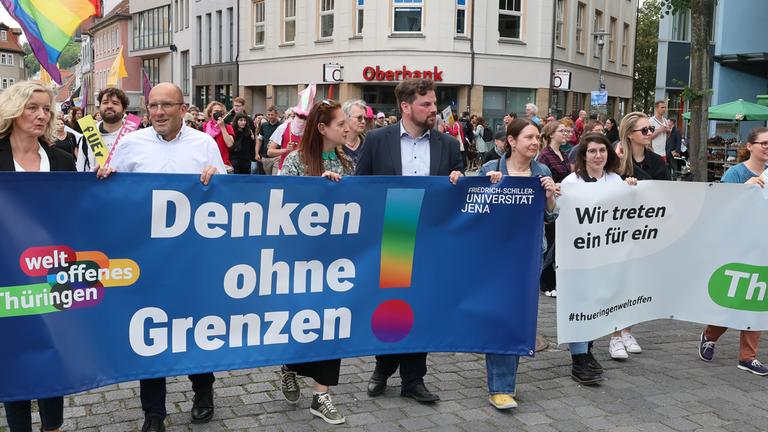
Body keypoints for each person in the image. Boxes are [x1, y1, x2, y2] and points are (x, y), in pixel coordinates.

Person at [97, 83, 226, 432]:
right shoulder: (130, 144)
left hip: (192, 257)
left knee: (195, 328)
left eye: (166, 105)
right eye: (153, 105)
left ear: (183, 109)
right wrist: (105, 179)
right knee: (149, 330)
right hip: (146, 259)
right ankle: (153, 412)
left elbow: (228, 194)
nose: (158, 112)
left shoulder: (204, 143)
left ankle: (203, 390)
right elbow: (114, 195)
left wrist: (218, 178)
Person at [356, 78, 463, 404]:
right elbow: (359, 188)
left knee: (423, 308)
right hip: (394, 232)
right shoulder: (377, 140)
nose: (434, 109)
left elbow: (459, 187)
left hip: (432, 238)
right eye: (426, 104)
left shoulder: (447, 144)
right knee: (392, 308)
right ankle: (383, 366)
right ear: (405, 106)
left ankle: (413, 379)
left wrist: (459, 180)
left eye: (434, 103)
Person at [0, 81, 75, 432]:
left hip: (51, 275)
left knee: (51, 353)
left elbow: (78, 213)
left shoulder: (62, 160)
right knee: (13, 356)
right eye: (33, 107)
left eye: (46, 109)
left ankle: (53, 426)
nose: (41, 115)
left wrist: (105, 182)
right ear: (14, 110)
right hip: (6, 277)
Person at [277, 100, 354, 424]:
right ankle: (289, 365)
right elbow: (279, 206)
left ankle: (321, 394)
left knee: (332, 323)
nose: (347, 128)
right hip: (300, 262)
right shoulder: (295, 162)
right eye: (341, 124)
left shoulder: (347, 163)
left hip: (335, 263)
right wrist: (315, 190)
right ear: (323, 128)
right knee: (302, 323)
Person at [479, 118, 558, 409]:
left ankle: (504, 383)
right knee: (502, 316)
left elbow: (550, 217)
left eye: (538, 137)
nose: (536, 142)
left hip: (529, 256)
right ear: (512, 141)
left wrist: (549, 196)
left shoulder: (542, 172)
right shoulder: (490, 170)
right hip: (495, 256)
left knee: (518, 317)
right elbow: (474, 210)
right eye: (529, 137)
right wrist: (489, 189)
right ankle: (500, 387)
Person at [561, 132, 637, 384]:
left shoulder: (616, 180)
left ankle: (587, 350)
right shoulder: (571, 182)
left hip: (606, 256)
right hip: (578, 256)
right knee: (580, 302)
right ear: (583, 155)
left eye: (602, 151)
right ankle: (579, 359)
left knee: (597, 303)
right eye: (592, 151)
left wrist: (634, 191)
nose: (598, 156)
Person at [698, 127, 768, 375]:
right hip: (739, 245)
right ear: (750, 146)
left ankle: (748, 357)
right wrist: (745, 190)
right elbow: (722, 206)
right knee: (735, 298)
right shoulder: (737, 173)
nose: (767, 147)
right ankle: (710, 334)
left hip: (764, 245)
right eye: (764, 143)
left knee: (759, 299)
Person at [608, 111, 669, 360]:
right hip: (618, 232)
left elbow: (664, 192)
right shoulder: (616, 162)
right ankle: (614, 335)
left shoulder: (656, 162)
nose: (649, 134)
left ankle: (627, 330)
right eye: (643, 130)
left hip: (646, 231)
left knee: (636, 282)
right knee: (618, 282)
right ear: (628, 135)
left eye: (649, 129)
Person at [536, 120, 572, 298]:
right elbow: (542, 179)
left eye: (566, 131)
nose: (565, 134)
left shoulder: (564, 154)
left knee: (558, 243)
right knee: (549, 242)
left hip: (561, 202)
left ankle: (555, 280)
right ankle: (546, 282)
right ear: (551, 134)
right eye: (561, 131)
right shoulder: (544, 156)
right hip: (551, 201)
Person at [76, 88, 129, 172]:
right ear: (99, 107)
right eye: (105, 102)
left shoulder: (134, 134)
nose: (109, 106)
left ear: (124, 109)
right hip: (95, 184)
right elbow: (81, 171)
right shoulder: (88, 134)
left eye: (115, 103)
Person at [268, 87, 314, 175]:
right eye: (300, 116)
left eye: (305, 118)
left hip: (306, 174)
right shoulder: (283, 127)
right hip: (285, 172)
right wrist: (285, 150)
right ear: (295, 115)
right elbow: (270, 152)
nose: (302, 120)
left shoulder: (312, 131)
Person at [204, 101, 235, 172]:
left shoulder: (228, 127)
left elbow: (230, 144)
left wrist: (222, 127)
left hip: (223, 165)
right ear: (210, 113)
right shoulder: (204, 126)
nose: (218, 113)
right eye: (216, 111)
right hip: (208, 165)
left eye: (220, 112)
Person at [341, 99, 368, 165]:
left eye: (365, 118)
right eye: (359, 118)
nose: (363, 121)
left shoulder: (368, 143)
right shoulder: (334, 144)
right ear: (346, 118)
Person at [257, 106, 282, 175]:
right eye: (268, 115)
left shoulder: (282, 126)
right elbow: (259, 139)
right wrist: (256, 153)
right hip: (265, 157)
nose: (270, 117)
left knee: (275, 177)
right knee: (268, 179)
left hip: (277, 157)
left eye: (272, 115)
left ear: (277, 115)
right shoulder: (264, 125)